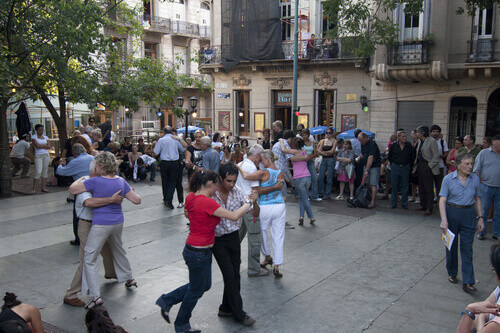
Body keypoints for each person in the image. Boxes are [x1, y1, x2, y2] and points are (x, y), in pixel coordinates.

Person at [155, 170, 256, 333]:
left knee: (203, 286)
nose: (217, 189)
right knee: (196, 289)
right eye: (216, 185)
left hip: (196, 250)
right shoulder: (207, 203)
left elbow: (189, 213)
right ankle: (181, 324)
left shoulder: (191, 197)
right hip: (198, 253)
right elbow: (235, 216)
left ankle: (167, 300)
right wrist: (250, 202)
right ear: (210, 183)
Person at [69, 152, 141, 309]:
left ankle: (95, 296)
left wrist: (80, 179)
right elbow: (137, 200)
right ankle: (129, 278)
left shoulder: (94, 182)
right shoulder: (121, 181)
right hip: (118, 222)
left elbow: (73, 190)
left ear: (99, 166)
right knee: (119, 249)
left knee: (89, 257)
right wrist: (125, 192)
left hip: (101, 224)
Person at [63, 162, 119, 307]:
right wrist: (111, 199)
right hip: (88, 225)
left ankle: (111, 272)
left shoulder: (99, 181)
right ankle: (70, 294)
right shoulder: (84, 183)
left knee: (109, 248)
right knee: (87, 260)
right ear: (96, 169)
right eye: (103, 169)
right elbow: (88, 202)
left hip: (100, 223)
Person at [211, 163, 258, 327]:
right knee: (230, 275)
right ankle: (239, 313)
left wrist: (255, 201)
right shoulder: (211, 192)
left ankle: (225, 308)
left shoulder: (238, 191)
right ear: (221, 178)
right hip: (216, 239)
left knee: (235, 274)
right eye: (228, 181)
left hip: (233, 237)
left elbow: (254, 213)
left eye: (234, 181)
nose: (231, 184)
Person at [238, 150, 287, 278]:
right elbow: (281, 186)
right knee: (278, 236)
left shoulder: (263, 172)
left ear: (267, 159)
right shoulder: (280, 172)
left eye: (262, 160)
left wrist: (239, 167)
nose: (260, 162)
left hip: (265, 207)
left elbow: (247, 177)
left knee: (262, 233)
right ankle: (277, 265)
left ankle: (267, 255)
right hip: (280, 205)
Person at [439, 152, 483, 293]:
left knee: (467, 248)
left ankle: (468, 281)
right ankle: (452, 272)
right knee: (451, 245)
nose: (470, 167)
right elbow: (442, 200)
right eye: (467, 164)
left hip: (468, 214)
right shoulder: (448, 179)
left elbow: (477, 199)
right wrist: (444, 220)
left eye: (471, 163)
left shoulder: (475, 179)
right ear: (458, 165)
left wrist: (480, 217)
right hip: (452, 212)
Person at [236, 144, 271, 277]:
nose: (261, 160)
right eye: (260, 157)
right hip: (250, 207)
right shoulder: (251, 167)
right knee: (255, 238)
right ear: (256, 155)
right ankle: (254, 269)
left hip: (241, 207)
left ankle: (231, 260)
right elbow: (255, 191)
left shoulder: (241, 163)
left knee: (238, 235)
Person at [56, 143, 95, 245]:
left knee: (78, 214)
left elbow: (62, 172)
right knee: (93, 212)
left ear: (74, 152)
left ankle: (78, 238)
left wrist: (60, 164)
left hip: (81, 189)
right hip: (95, 187)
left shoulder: (75, 161)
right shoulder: (92, 158)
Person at [456, 243, 500, 333]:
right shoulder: (498, 289)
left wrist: (469, 312)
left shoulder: (496, 325)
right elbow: (485, 307)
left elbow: (479, 314)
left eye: (493, 268)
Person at [281, 137, 315, 224]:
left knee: (304, 198)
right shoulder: (303, 152)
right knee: (302, 197)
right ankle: (301, 217)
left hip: (299, 178)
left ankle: (311, 217)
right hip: (307, 176)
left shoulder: (295, 152)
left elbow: (283, 149)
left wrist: (281, 141)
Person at [154, 126, 187, 209]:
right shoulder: (175, 139)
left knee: (165, 181)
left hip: (164, 163)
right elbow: (183, 149)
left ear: (164, 132)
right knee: (173, 181)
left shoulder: (161, 140)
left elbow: (155, 153)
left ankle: (166, 199)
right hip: (174, 163)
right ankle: (169, 199)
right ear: (171, 132)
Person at [475, 135, 500, 241]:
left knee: (499, 211)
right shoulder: (484, 153)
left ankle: (497, 233)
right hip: (486, 186)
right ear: (493, 143)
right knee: (483, 210)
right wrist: (480, 184)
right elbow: (477, 170)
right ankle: (482, 232)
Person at [414, 126, 440, 215]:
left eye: (418, 132)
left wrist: (430, 165)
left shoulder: (431, 141)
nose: (417, 134)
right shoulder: (420, 141)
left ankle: (429, 207)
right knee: (421, 186)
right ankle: (423, 204)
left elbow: (436, 155)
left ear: (422, 133)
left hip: (427, 165)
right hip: (420, 165)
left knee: (428, 187)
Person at [388, 131, 414, 209]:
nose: (405, 138)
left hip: (405, 167)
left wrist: (410, 166)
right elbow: (390, 156)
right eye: (403, 137)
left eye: (406, 136)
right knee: (394, 185)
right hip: (395, 166)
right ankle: (393, 203)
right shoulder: (393, 146)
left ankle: (404, 203)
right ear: (398, 137)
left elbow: (412, 156)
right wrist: (393, 164)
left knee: (405, 185)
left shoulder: (409, 146)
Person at [357, 132, 381, 209]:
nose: (361, 142)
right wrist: (359, 157)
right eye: (359, 141)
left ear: (365, 138)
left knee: (373, 184)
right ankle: (365, 199)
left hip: (374, 166)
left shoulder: (372, 144)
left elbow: (371, 157)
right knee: (366, 184)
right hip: (366, 165)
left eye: (361, 140)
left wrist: (366, 170)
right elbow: (363, 153)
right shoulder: (363, 144)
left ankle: (372, 202)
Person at [301, 129, 321, 201]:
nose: (304, 137)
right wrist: (305, 157)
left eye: (305, 135)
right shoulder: (301, 143)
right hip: (303, 162)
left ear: (308, 135)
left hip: (310, 161)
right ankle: (305, 195)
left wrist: (310, 157)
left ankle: (314, 195)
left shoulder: (312, 142)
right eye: (303, 135)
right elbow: (299, 152)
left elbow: (316, 153)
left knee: (314, 178)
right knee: (305, 179)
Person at [31, 124, 51, 194]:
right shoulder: (34, 137)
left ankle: (43, 187)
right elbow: (37, 146)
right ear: (36, 130)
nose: (41, 131)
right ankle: (34, 188)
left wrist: (42, 146)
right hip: (38, 155)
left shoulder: (46, 137)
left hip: (46, 155)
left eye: (42, 130)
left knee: (45, 171)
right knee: (38, 171)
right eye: (40, 130)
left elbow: (49, 146)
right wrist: (44, 146)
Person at [317, 128, 337, 200]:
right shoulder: (323, 141)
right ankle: (321, 193)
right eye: (326, 133)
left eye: (329, 133)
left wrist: (323, 153)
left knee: (329, 177)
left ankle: (327, 194)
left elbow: (332, 151)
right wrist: (325, 153)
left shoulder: (334, 141)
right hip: (324, 159)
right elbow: (318, 150)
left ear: (332, 134)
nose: (327, 134)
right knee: (320, 177)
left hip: (330, 159)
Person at [430, 125, 449, 199]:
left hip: (440, 166)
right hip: (430, 166)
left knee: (438, 184)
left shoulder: (442, 142)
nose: (435, 133)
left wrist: (439, 156)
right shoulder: (428, 142)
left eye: (437, 131)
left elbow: (446, 153)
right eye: (433, 131)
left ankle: (438, 198)